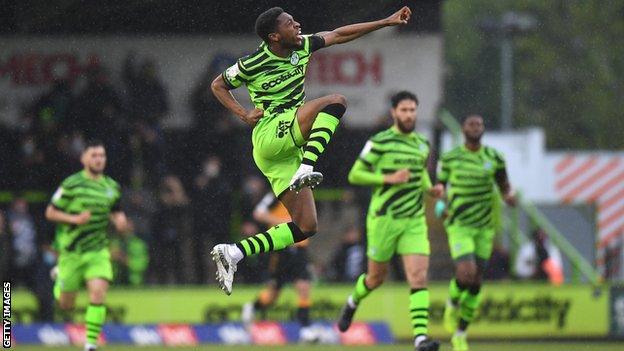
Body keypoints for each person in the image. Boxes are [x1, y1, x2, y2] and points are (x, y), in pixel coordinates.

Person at [210, 5, 413, 295]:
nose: (297, 25)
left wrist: (386, 21)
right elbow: (218, 85)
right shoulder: (251, 63)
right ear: (274, 36)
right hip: (271, 132)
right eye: (289, 23)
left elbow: (339, 35)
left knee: (306, 226)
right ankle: (308, 165)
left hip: (282, 151)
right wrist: (243, 114)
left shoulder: (302, 46)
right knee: (336, 101)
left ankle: (234, 252)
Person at [335, 91, 442, 351]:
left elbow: (421, 176)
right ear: (394, 112)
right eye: (404, 110)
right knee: (375, 278)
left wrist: (431, 189)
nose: (409, 115)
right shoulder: (380, 142)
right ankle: (352, 302)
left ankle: (420, 338)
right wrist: (388, 179)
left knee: (418, 277)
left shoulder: (422, 144)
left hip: (413, 221)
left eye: (413, 110)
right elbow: (355, 175)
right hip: (384, 220)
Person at [434, 114, 516, 351]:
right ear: (463, 129)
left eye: (479, 124)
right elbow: (440, 187)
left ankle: (460, 333)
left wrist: (509, 197)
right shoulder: (450, 159)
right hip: (459, 225)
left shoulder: (495, 158)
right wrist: (440, 205)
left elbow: (504, 187)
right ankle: (451, 302)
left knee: (477, 282)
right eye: (471, 124)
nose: (476, 127)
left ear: (483, 129)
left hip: (484, 227)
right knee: (466, 272)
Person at [45, 140, 128, 351]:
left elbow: (116, 210)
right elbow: (50, 212)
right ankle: (58, 279)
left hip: (98, 250)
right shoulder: (71, 184)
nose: (99, 159)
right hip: (72, 252)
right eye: (94, 155)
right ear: (84, 159)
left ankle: (90, 344)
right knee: (66, 305)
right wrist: (74, 219)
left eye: (102, 155)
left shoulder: (112, 187)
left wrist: (120, 220)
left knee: (98, 293)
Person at [241, 192, 316, 342]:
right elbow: (259, 213)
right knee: (273, 294)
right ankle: (253, 307)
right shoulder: (276, 194)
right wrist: (286, 225)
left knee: (303, 286)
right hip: (281, 248)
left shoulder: (304, 194)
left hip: (300, 248)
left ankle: (306, 329)